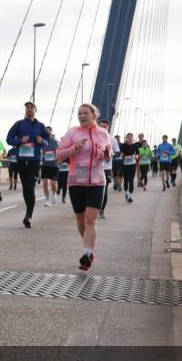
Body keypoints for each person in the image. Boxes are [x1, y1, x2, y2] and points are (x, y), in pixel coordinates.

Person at [56, 103, 112, 271]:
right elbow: (59, 156)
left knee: (90, 220)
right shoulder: (72, 133)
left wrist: (107, 154)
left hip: (97, 181)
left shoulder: (103, 133)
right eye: (79, 114)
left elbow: (109, 154)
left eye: (85, 113)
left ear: (94, 115)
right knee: (81, 220)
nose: (82, 116)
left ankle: (86, 254)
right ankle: (89, 247)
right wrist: (74, 147)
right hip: (76, 182)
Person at [6, 101, 50, 228]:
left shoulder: (40, 125)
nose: (29, 109)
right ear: (25, 110)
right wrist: (20, 140)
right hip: (21, 160)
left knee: (30, 186)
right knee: (25, 187)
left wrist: (42, 141)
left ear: (35, 110)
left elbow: (47, 141)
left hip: (34, 161)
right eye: (27, 108)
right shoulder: (19, 124)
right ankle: (28, 211)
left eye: (31, 107)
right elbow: (9, 139)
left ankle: (28, 215)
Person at [97, 120, 116, 219]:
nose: (102, 128)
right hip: (95, 168)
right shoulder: (93, 137)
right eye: (101, 126)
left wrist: (109, 154)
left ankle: (102, 210)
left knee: (104, 189)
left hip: (106, 168)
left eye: (104, 126)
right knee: (93, 190)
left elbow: (117, 151)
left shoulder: (112, 139)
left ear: (108, 128)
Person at [40, 126, 60, 206]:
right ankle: (47, 199)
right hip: (45, 165)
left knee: (53, 184)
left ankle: (54, 193)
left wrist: (59, 156)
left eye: (49, 130)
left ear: (52, 132)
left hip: (54, 165)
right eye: (46, 131)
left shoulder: (56, 141)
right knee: (45, 184)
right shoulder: (42, 141)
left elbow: (62, 149)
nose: (48, 132)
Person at [119, 132, 140, 203]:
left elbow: (138, 153)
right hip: (125, 165)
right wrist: (122, 155)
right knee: (126, 180)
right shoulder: (123, 145)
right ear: (126, 138)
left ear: (132, 138)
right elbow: (121, 153)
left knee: (131, 180)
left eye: (131, 137)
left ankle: (130, 196)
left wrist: (136, 156)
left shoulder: (135, 145)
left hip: (132, 164)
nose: (130, 138)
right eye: (129, 137)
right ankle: (126, 193)